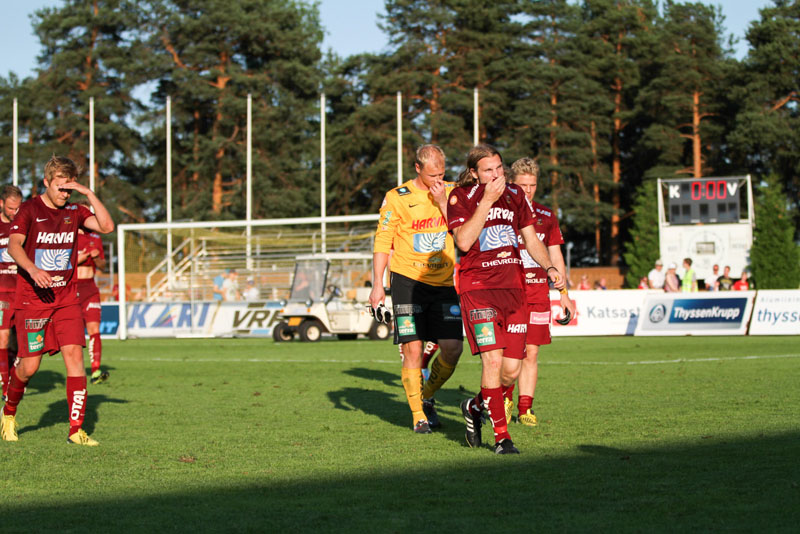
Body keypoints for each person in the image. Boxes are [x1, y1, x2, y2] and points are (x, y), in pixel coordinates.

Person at [448, 144, 565, 455]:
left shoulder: (515, 195)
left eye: (499, 168)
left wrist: (550, 267)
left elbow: (531, 239)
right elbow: (463, 241)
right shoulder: (460, 197)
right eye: (488, 170)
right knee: (493, 360)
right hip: (478, 289)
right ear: (474, 173)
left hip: (514, 290)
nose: (496, 175)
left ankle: (474, 406)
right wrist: (486, 200)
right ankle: (502, 437)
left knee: (511, 370)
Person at [1, 155, 114, 446]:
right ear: (46, 183)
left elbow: (106, 227)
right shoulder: (29, 210)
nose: (65, 193)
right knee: (29, 367)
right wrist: (33, 268)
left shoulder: (76, 211)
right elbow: (14, 245)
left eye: (69, 188)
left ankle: (75, 430)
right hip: (32, 301)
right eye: (60, 187)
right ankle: (9, 413)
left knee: (75, 358)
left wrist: (88, 194)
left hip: (66, 300)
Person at [370, 144, 463, 434]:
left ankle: (427, 395)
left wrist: (444, 200)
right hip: (407, 282)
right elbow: (383, 242)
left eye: (442, 174)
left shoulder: (452, 192)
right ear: (417, 168)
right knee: (413, 349)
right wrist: (377, 286)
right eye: (432, 174)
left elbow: (465, 231)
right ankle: (418, 415)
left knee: (453, 349)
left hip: (444, 282)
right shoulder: (396, 198)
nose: (438, 180)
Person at [502, 158, 575, 428]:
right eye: (522, 185)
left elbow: (556, 257)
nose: (528, 191)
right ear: (511, 184)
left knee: (531, 352)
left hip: (538, 296)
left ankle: (526, 407)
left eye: (532, 185)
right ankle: (505, 397)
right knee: (512, 353)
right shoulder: (503, 215)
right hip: (510, 295)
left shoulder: (546, 216)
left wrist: (564, 293)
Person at [77, 223, 109, 385]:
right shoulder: (67, 236)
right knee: (74, 335)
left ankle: (95, 370)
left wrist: (96, 257)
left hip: (90, 288)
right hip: (72, 289)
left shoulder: (95, 238)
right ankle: (76, 373)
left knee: (94, 330)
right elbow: (61, 266)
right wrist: (80, 258)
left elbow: (103, 266)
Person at [0, 185, 23, 401]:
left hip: (23, 291)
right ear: (1, 204)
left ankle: (16, 378)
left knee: (24, 342)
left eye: (18, 208)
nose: (14, 213)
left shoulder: (23, 224)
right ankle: (6, 386)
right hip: (2, 292)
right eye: (10, 208)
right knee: (3, 337)